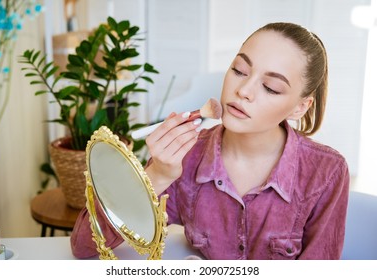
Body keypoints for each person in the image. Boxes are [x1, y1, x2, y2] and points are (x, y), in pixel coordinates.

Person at [70, 22, 350, 260]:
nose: (243, 91)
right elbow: (83, 246)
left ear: (300, 107)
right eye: (239, 70)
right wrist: (155, 176)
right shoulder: (185, 157)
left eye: (270, 87)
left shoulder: (326, 172)